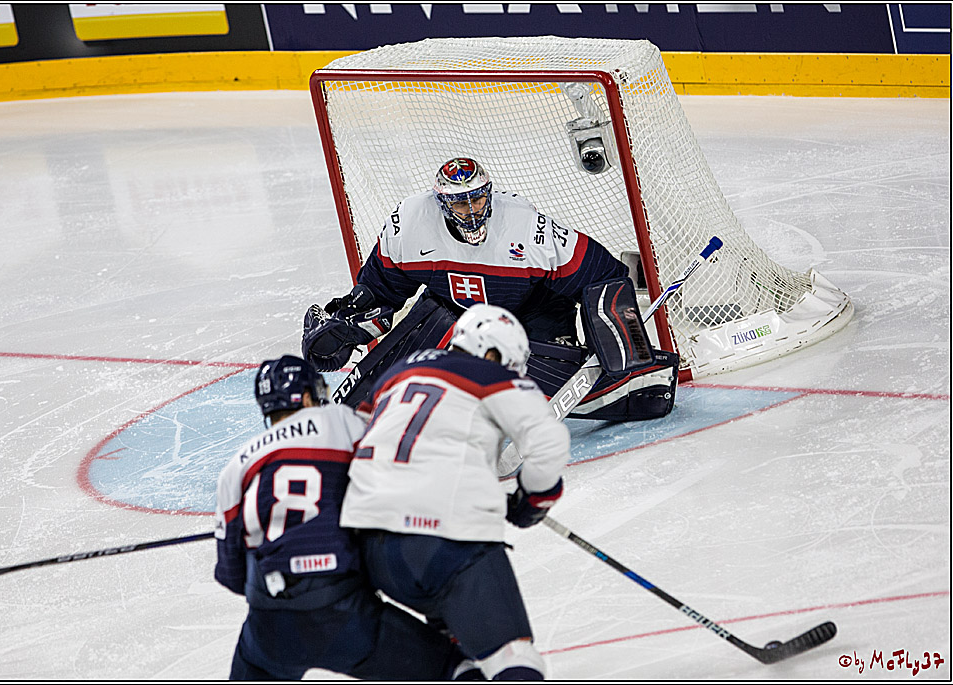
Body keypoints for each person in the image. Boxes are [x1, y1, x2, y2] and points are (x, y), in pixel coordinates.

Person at [302, 156, 678, 423]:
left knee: (578, 394)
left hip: (532, 314)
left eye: (477, 198)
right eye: (458, 202)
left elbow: (603, 276)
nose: (470, 209)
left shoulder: (528, 229)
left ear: (490, 193)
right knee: (384, 391)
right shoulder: (410, 226)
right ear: (440, 202)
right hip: (452, 318)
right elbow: (380, 293)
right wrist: (349, 325)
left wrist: (622, 347)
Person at [339, 304, 570, 680]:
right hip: (446, 541)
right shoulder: (490, 375)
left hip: (371, 546)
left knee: (456, 659)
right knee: (513, 659)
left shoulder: (397, 374)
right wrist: (533, 499)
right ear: (491, 353)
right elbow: (548, 442)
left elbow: (353, 436)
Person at [213, 355, 475, 680]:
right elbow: (395, 479)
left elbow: (230, 573)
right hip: (343, 617)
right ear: (307, 397)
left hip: (269, 627)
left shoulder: (237, 466)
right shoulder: (339, 421)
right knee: (454, 669)